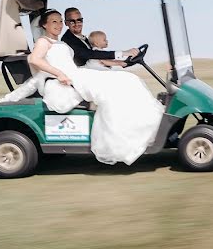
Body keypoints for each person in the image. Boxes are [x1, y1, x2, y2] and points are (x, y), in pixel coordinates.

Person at [28, 9, 164, 165]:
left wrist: (120, 62)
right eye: (55, 21)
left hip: (77, 73)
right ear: (44, 24)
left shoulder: (59, 42)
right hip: (70, 78)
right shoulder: (44, 42)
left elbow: (87, 55)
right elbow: (35, 60)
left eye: (59, 21)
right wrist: (59, 73)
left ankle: (143, 125)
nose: (59, 25)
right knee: (122, 85)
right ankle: (126, 136)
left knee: (129, 79)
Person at [60, 7, 138, 68]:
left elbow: (99, 57)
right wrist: (123, 53)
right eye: (72, 21)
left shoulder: (84, 39)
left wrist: (122, 62)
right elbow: (90, 54)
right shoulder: (68, 40)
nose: (76, 24)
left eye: (79, 20)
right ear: (66, 23)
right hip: (85, 74)